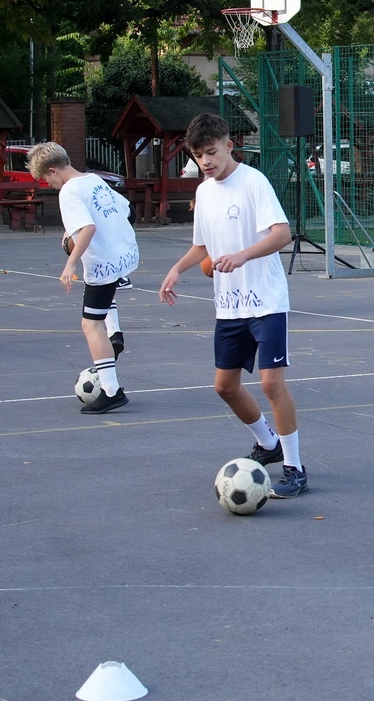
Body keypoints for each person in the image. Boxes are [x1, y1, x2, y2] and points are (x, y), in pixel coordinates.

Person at [158, 113, 308, 498]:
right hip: (229, 306)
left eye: (211, 152)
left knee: (271, 382)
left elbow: (282, 234)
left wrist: (243, 255)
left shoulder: (253, 182)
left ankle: (294, 467)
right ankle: (268, 444)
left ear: (229, 146)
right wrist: (177, 269)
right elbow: (203, 246)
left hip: (266, 300)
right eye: (198, 155)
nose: (205, 161)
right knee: (225, 387)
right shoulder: (204, 192)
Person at [30, 142, 139, 414]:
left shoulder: (68, 192)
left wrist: (70, 262)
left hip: (103, 264)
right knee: (101, 306)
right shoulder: (94, 179)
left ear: (53, 170)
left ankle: (111, 391)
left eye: (45, 179)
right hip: (124, 256)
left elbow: (87, 228)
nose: (48, 184)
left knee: (90, 325)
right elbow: (128, 211)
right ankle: (114, 334)